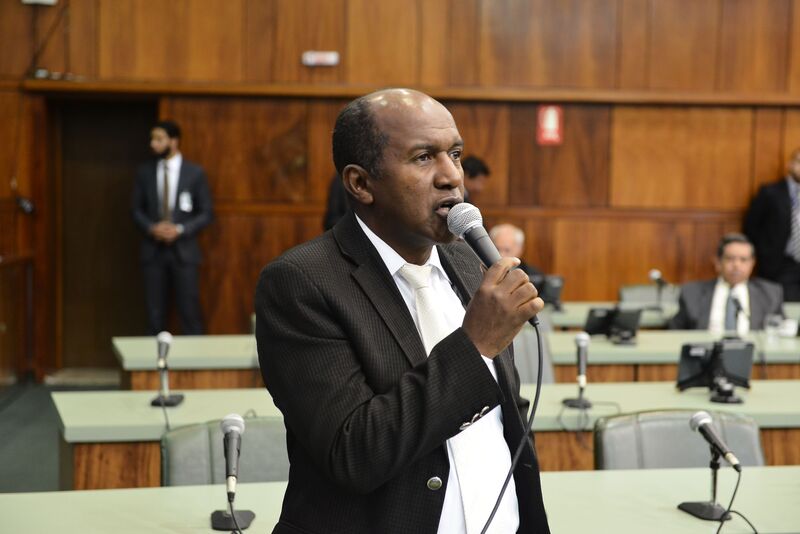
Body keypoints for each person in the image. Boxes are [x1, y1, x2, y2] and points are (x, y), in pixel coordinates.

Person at [256, 89, 550, 534]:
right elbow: (353, 453)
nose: (451, 176)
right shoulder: (301, 283)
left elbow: (504, 416)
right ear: (360, 183)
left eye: (455, 154)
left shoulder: (469, 263)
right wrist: (474, 346)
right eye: (423, 157)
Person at [132, 120, 213, 335]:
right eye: (152, 139)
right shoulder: (145, 172)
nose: (153, 144)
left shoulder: (194, 173)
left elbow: (206, 212)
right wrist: (152, 228)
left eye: (159, 139)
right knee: (154, 314)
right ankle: (153, 357)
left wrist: (180, 229)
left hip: (184, 251)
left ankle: (194, 357)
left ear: (174, 141)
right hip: (153, 251)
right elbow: (136, 210)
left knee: (190, 312)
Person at [669, 233, 783, 333]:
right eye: (730, 259)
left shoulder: (770, 294)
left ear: (752, 264)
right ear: (718, 262)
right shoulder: (691, 293)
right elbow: (675, 333)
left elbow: (782, 329)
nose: (736, 265)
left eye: (743, 260)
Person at [744, 149, 800, 301]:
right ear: (790, 165)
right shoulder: (770, 192)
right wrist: (763, 255)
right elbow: (751, 227)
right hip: (780, 265)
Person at [490, 223, 545, 287]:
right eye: (497, 249)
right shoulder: (482, 271)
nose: (501, 255)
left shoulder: (535, 276)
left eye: (507, 250)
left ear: (519, 249)